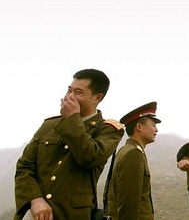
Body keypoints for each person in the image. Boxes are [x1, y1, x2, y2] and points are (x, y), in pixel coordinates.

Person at [13, 68, 124, 220]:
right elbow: (25, 166)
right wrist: (35, 199)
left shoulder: (108, 130)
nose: (69, 96)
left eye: (78, 92)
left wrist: (72, 118)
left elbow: (89, 157)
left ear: (97, 98)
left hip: (72, 215)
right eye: (69, 90)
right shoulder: (49, 125)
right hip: (35, 213)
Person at [106, 101, 161, 220]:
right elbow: (129, 204)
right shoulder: (133, 154)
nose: (156, 130)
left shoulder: (126, 150)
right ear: (139, 126)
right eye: (153, 125)